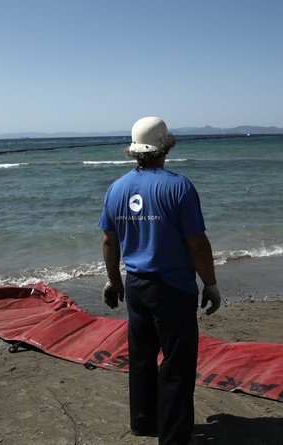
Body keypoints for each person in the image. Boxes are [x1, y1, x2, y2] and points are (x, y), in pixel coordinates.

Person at [98, 116, 221, 445]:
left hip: (136, 286)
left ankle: (143, 421)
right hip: (173, 288)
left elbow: (110, 240)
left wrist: (113, 280)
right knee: (177, 365)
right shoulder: (179, 186)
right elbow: (196, 243)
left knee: (141, 357)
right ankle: (174, 437)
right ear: (166, 146)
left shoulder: (117, 188)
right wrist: (209, 283)